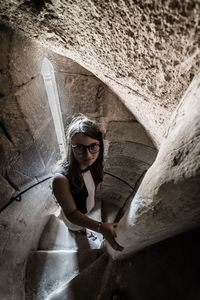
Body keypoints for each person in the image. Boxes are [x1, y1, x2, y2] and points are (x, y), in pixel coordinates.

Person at [52, 114, 123, 251]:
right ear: (70, 147)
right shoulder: (61, 180)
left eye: (93, 146)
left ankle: (83, 228)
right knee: (77, 226)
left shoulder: (95, 166)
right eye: (79, 147)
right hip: (74, 219)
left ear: (100, 145)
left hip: (85, 210)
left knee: (84, 222)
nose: (87, 155)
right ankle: (78, 231)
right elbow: (72, 214)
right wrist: (100, 227)